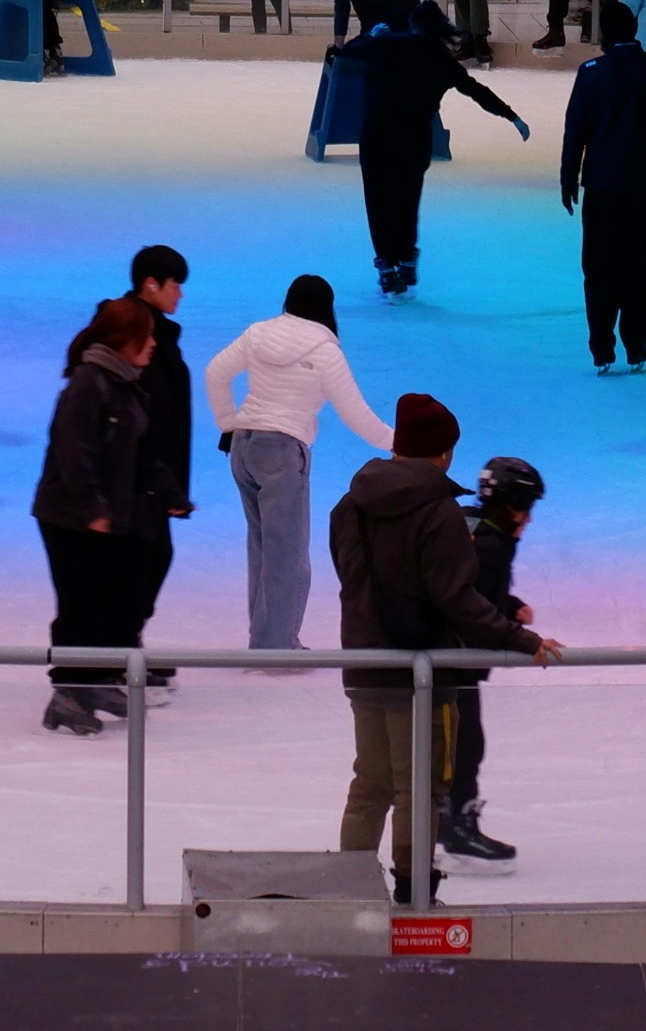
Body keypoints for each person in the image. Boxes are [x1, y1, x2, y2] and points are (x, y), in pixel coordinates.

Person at [330, 394, 555, 901]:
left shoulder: (349, 505)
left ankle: (347, 890)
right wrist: (522, 639)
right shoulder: (439, 514)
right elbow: (458, 599)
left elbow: (350, 577)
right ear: (444, 452)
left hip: (363, 663)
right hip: (426, 672)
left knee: (371, 782)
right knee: (421, 787)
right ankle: (414, 894)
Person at [202, 273, 394, 653]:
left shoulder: (258, 334)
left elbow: (215, 372)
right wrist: (399, 443)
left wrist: (228, 423)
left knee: (261, 547)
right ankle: (276, 647)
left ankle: (266, 640)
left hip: (244, 447)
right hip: (282, 451)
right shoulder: (325, 352)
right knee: (286, 553)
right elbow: (355, 413)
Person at [32, 295, 171, 733]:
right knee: (79, 604)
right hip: (69, 518)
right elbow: (74, 453)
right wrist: (93, 508)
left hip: (103, 516)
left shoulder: (125, 382)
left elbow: (141, 452)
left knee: (105, 599)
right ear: (124, 340)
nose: (153, 344)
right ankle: (68, 693)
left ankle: (92, 679)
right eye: (146, 336)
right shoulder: (89, 384)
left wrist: (169, 493)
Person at [340, 4, 526, 296]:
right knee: (407, 199)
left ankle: (387, 266)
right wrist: (511, 115)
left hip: (379, 135)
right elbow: (475, 90)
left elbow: (347, 51)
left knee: (379, 201)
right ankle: (406, 256)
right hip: (415, 138)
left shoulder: (388, 45)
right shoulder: (442, 60)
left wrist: (372, 35)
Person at [559, 0, 646, 372]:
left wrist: (569, 177)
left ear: (605, 34)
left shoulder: (591, 72)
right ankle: (637, 345)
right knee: (640, 268)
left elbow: (576, 131)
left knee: (599, 269)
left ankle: (602, 347)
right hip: (641, 187)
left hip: (600, 187)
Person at [437, 455, 543, 863]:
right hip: (456, 664)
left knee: (457, 746)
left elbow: (471, 588)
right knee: (464, 748)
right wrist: (522, 639)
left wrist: (508, 603)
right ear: (510, 503)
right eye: (526, 507)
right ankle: (455, 827)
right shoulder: (493, 544)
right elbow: (470, 605)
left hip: (447, 662)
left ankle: (446, 822)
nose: (528, 519)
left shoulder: (472, 525)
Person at [118, 244, 196, 686]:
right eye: (175, 285)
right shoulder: (135, 332)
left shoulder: (157, 332)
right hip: (136, 479)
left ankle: (127, 647)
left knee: (149, 557)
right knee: (143, 559)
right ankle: (121, 651)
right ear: (152, 284)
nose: (180, 294)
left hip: (152, 477)